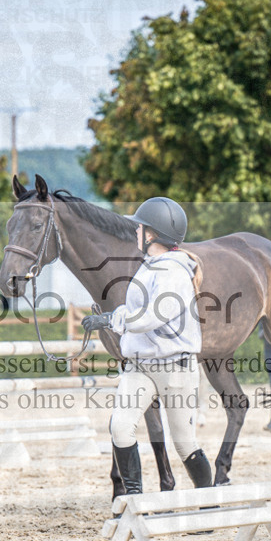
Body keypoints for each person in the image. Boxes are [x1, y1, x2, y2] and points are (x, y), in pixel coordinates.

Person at [81, 197, 213, 495]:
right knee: (120, 427)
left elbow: (151, 317)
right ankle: (134, 502)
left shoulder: (175, 272)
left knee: (184, 442)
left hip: (174, 368)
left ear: (151, 234)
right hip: (140, 366)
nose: (135, 232)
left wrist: (111, 319)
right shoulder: (149, 266)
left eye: (139, 228)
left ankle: (208, 502)